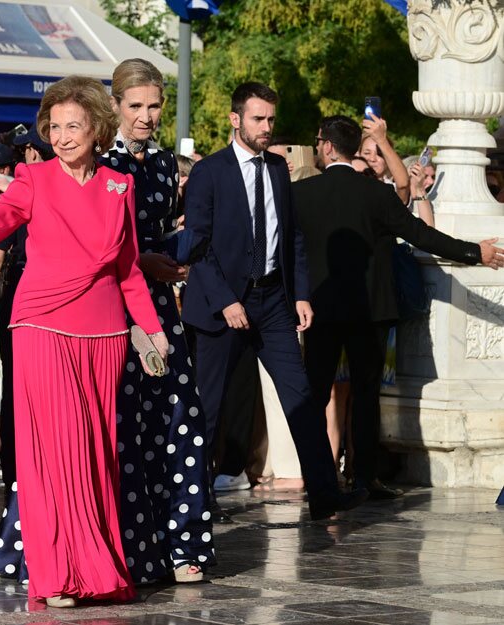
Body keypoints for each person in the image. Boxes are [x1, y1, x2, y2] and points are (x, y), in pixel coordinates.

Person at [0, 74, 167, 607]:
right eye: (53, 126)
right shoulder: (32, 180)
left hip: (104, 335)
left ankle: (98, 571)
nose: (61, 136)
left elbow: (129, 269)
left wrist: (150, 329)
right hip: (41, 327)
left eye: (72, 126)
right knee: (52, 455)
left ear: (97, 128)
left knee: (95, 454)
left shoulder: (118, 186)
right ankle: (57, 574)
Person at [181, 82, 367, 521]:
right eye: (258, 119)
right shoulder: (210, 172)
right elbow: (197, 247)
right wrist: (226, 301)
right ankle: (194, 502)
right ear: (235, 119)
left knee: (302, 397)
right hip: (222, 305)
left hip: (273, 302)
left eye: (270, 120)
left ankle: (324, 493)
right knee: (209, 405)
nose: (266, 128)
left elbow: (293, 238)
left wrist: (300, 292)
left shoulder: (279, 170)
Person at [294, 116, 504, 499]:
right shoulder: (376, 195)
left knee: (317, 392)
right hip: (370, 310)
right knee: (366, 394)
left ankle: (319, 477)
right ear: (354, 147)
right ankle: (364, 477)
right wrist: (476, 252)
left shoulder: (302, 194)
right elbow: (423, 235)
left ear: (325, 146)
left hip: (320, 307)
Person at [102, 58, 212, 583]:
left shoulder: (166, 164)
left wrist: (173, 254)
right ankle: (122, 548)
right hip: (107, 307)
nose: (145, 116)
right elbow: (94, 244)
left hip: (161, 307)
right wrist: (142, 260)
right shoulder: (100, 161)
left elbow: (161, 229)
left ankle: (181, 545)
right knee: (118, 427)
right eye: (135, 106)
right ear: (115, 105)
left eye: (154, 106)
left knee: (178, 420)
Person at [359, 116, 410, 203]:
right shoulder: (349, 184)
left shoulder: (391, 189)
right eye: (367, 153)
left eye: (379, 154)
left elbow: (403, 185)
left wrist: (382, 140)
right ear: (358, 155)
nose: (372, 159)